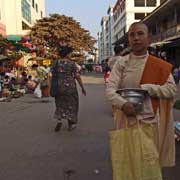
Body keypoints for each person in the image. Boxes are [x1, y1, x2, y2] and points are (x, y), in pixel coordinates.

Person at [106, 22, 177, 177]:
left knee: (150, 165)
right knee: (126, 164)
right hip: (125, 120)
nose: (136, 38)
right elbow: (110, 90)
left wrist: (148, 88)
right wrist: (123, 104)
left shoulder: (159, 66)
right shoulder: (121, 63)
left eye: (140, 34)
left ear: (148, 37)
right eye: (132, 35)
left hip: (150, 124)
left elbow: (172, 90)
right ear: (129, 40)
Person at [51, 46, 86, 132]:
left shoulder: (56, 63)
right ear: (67, 54)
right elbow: (77, 76)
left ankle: (59, 119)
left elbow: (51, 75)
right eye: (70, 53)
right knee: (72, 104)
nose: (71, 55)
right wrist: (82, 87)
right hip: (70, 87)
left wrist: (51, 86)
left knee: (59, 103)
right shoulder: (72, 63)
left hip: (59, 86)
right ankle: (71, 124)